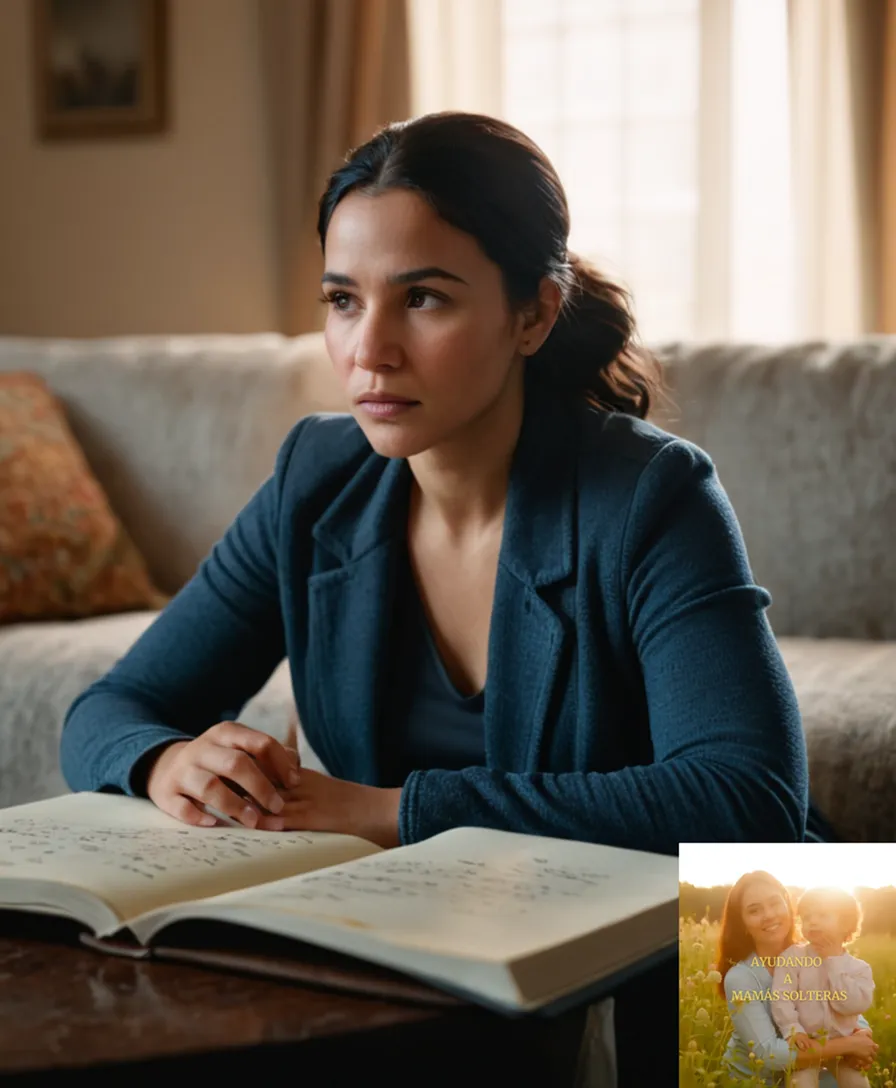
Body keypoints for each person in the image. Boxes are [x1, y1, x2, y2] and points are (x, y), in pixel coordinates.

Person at [59, 111, 830, 1083]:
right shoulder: (314, 478)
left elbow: (745, 796)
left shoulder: (652, 494)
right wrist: (167, 759)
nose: (368, 350)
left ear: (533, 313)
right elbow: (107, 711)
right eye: (343, 299)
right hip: (447, 947)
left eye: (421, 297)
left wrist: (389, 808)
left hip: (730, 965)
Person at [717, 872, 878, 1085]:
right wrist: (849, 1045)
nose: (768, 915)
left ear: (788, 905)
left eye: (775, 903)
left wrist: (862, 1032)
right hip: (757, 1079)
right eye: (754, 910)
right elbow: (768, 1054)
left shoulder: (815, 953)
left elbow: (837, 1003)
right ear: (743, 923)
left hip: (811, 1063)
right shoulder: (741, 977)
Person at [770, 887, 875, 1087]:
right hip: (807, 1044)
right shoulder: (792, 958)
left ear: (846, 924)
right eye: (807, 917)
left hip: (843, 1049)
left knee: (858, 1083)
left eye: (822, 915)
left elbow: (852, 1005)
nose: (813, 922)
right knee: (801, 1083)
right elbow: (781, 998)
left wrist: (833, 962)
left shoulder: (859, 969)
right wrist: (793, 1030)